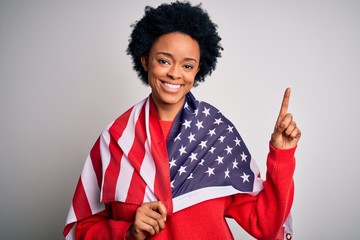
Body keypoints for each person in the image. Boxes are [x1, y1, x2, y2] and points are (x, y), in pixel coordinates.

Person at [63, 2, 301, 240]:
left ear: (198, 70)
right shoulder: (116, 138)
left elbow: (266, 225)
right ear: (145, 60)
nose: (175, 73)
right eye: (164, 61)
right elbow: (82, 229)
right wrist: (127, 232)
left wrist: (283, 154)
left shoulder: (216, 132)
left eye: (187, 65)